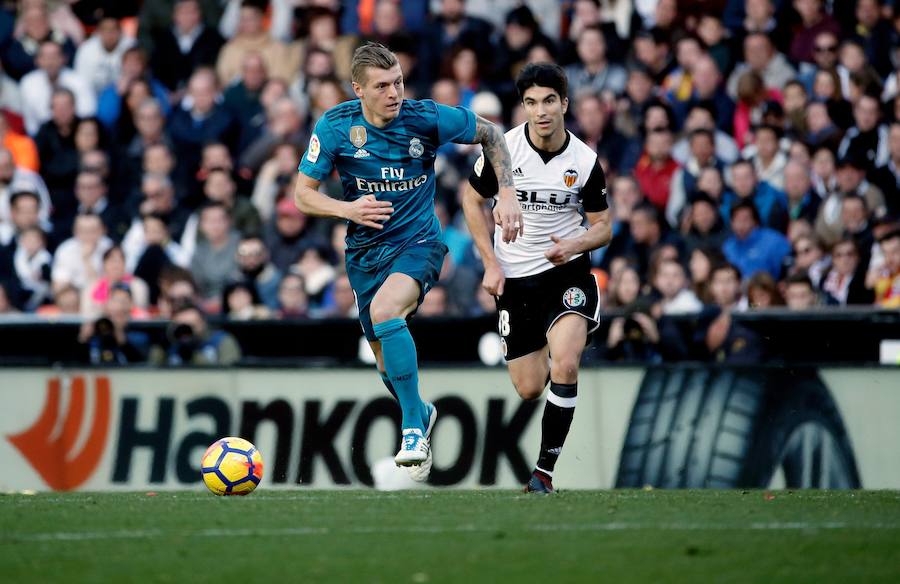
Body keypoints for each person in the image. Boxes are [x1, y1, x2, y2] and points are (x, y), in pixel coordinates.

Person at [294, 43, 522, 481]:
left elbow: (491, 134)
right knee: (383, 356)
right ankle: (421, 409)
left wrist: (506, 191)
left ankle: (412, 428)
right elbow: (302, 194)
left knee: (386, 313)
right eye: (382, 86)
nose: (394, 92)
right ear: (358, 89)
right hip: (365, 254)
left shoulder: (426, 117)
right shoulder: (337, 126)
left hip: (419, 243)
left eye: (398, 81)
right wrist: (348, 210)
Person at [462, 63, 611, 493]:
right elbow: (472, 201)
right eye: (531, 102)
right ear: (523, 106)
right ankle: (550, 362)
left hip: (566, 273)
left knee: (565, 362)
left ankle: (544, 472)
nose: (540, 111)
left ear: (564, 103)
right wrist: (489, 261)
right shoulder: (503, 150)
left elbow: (603, 226)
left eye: (548, 100)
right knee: (529, 388)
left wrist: (573, 246)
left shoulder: (583, 162)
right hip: (515, 281)